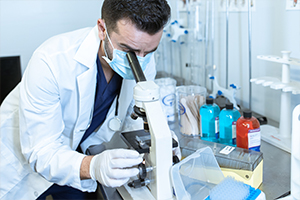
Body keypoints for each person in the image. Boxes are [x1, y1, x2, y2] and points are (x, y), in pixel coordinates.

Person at [0, 0, 176, 199]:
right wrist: (93, 166)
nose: (140, 60)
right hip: (26, 168)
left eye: (149, 52)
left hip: (80, 159)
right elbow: (41, 151)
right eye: (128, 51)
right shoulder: (50, 61)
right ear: (102, 29)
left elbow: (132, 121)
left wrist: (159, 140)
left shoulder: (143, 59)